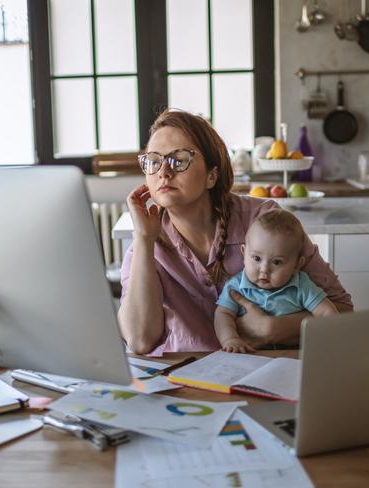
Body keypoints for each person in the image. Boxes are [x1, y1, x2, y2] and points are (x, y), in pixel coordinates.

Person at [118, 109, 352, 355]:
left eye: (179, 159)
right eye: (153, 161)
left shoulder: (264, 220)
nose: (164, 172)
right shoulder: (144, 245)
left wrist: (275, 328)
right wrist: (144, 239)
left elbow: (343, 311)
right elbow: (140, 341)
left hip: (270, 370)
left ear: (211, 176)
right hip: (187, 382)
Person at [215, 209, 338, 353]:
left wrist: (330, 337)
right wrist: (230, 339)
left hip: (295, 354)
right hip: (251, 354)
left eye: (277, 262)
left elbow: (327, 312)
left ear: (297, 265)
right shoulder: (235, 286)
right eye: (256, 258)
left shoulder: (301, 285)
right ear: (244, 253)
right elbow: (223, 314)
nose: (264, 269)